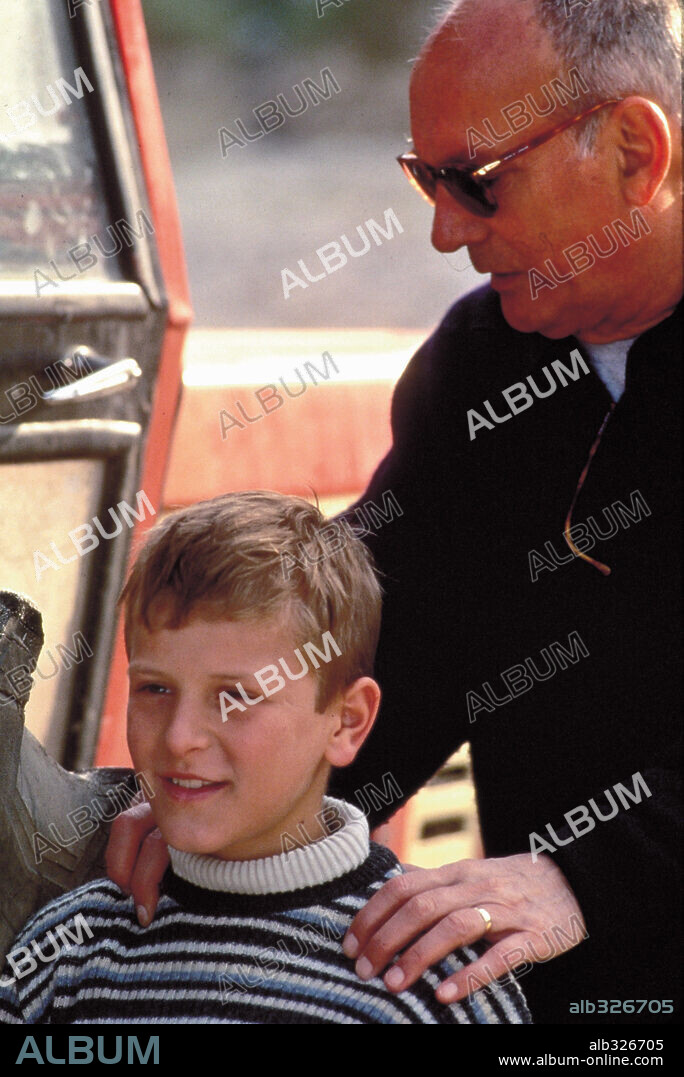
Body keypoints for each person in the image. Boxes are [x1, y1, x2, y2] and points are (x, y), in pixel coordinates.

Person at [104, 0, 682, 1025]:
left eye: (477, 183)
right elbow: (386, 640)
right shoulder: (483, 363)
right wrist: (225, 792)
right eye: (425, 180)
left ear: (636, 151)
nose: (442, 230)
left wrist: (592, 879)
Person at [0, 492, 530, 1024]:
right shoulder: (67, 949)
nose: (180, 737)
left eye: (236, 699)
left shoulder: (436, 981)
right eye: (155, 689)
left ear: (347, 721)